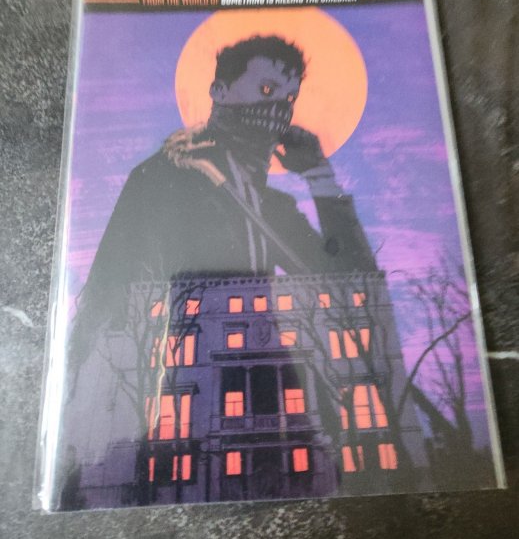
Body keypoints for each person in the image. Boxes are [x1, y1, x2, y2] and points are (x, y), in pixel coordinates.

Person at [69, 35, 376, 373]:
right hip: (173, 369)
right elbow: (112, 293)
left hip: (260, 372)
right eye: (266, 90)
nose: (279, 107)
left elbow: (356, 286)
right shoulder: (165, 176)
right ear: (220, 91)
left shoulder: (272, 207)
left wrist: (320, 176)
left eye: (290, 98)